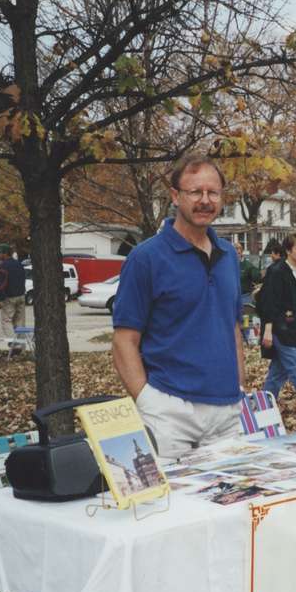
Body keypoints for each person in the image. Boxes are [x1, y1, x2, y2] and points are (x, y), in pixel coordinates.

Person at [112, 153, 245, 459]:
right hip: (170, 413)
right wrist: (148, 401)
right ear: (175, 196)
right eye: (195, 192)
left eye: (213, 193)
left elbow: (233, 327)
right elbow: (124, 341)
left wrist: (238, 385)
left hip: (226, 413)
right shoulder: (146, 258)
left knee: (228, 492)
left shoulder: (229, 256)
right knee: (171, 492)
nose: (205, 201)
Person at [258, 233, 296, 421]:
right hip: (281, 330)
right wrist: (268, 331)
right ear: (288, 251)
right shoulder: (277, 271)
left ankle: (261, 408)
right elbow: (268, 302)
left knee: (278, 373)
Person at [0, 244, 26, 337]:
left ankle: (13, 343)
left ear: (4, 253)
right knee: (20, 321)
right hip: (21, 296)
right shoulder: (19, 264)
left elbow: (1, 284)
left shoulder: (4, 266)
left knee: (6, 321)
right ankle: (20, 343)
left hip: (9, 298)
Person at [234, 241, 261, 307]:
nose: (237, 251)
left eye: (239, 249)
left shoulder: (248, 265)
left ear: (242, 251)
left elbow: (257, 277)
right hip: (232, 297)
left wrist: (257, 273)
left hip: (245, 297)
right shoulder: (229, 264)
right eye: (235, 249)